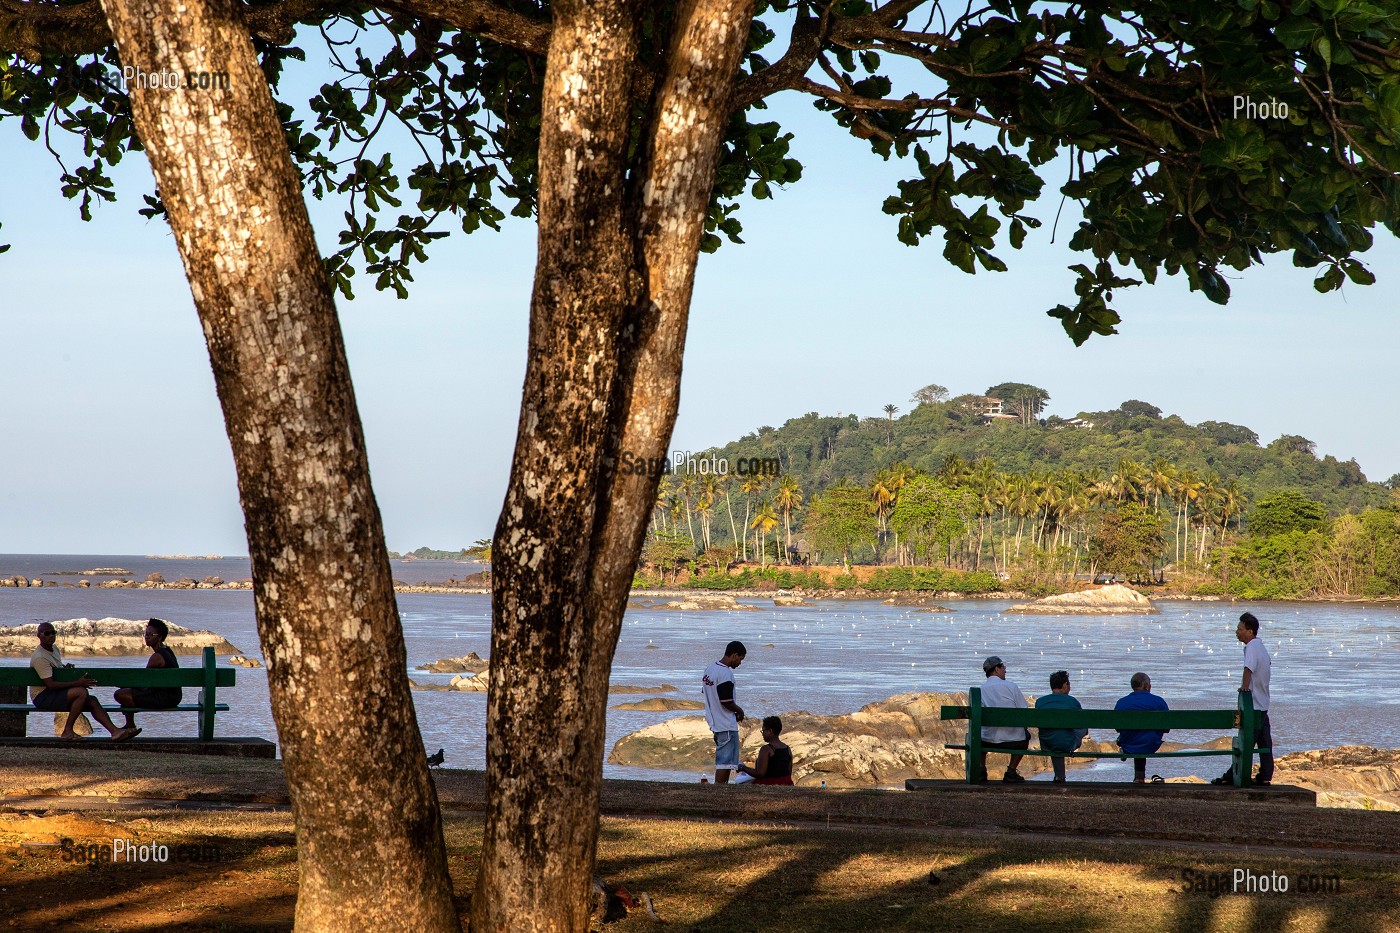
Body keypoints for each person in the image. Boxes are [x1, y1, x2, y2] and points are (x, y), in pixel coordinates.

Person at [29, 622, 136, 741]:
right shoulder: (40, 657)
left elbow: (54, 670)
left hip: (53, 693)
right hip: (42, 696)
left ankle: (115, 732)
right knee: (81, 692)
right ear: (39, 636)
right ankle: (68, 731)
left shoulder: (54, 649)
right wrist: (78, 683)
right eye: (46, 633)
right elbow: (51, 684)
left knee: (92, 701)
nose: (51, 636)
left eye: (53, 633)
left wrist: (65, 669)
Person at [1213, 611, 1274, 786]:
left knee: (1246, 742)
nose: (1236, 631)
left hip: (1254, 704)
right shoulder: (1261, 647)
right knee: (1264, 741)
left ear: (1250, 631)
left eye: (1240, 629)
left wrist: (1244, 689)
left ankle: (1231, 776)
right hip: (1263, 702)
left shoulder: (1251, 647)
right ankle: (1265, 775)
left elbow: (1248, 668)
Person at [113, 618, 183, 733]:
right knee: (127, 691)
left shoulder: (157, 657)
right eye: (146, 634)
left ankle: (130, 726)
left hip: (164, 698)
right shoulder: (167, 651)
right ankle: (129, 725)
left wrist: (123, 684)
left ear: (159, 637)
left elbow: (144, 680)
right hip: (173, 696)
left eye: (151, 634)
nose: (147, 636)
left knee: (120, 694)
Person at [978, 656, 1029, 783]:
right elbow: (1024, 711)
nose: (1005, 670)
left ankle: (981, 770)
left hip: (986, 740)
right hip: (1014, 740)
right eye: (1003, 668)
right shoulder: (1011, 686)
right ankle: (1011, 771)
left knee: (976, 736)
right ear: (996, 669)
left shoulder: (980, 690)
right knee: (1025, 736)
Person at [701, 641, 746, 784]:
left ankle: (722, 789)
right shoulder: (725, 673)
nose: (740, 663)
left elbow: (706, 691)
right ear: (734, 655)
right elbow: (726, 701)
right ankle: (719, 790)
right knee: (724, 764)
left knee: (724, 762)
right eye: (740, 659)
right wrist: (739, 711)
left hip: (715, 723)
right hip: (725, 724)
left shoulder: (710, 669)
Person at [1114, 672, 1169, 783]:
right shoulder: (1159, 702)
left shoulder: (1121, 703)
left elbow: (1117, 728)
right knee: (1144, 735)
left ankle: (1138, 777)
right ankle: (1139, 778)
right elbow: (1166, 728)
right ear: (1146, 686)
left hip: (1129, 744)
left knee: (1134, 736)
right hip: (1151, 744)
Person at [1035, 670, 1088, 782]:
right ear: (1064, 685)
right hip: (1067, 743)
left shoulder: (1040, 702)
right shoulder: (1072, 701)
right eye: (1069, 684)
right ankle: (1060, 776)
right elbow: (1081, 723)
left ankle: (1059, 776)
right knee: (1079, 729)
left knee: (1055, 734)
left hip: (1047, 744)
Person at [735, 715, 794, 786]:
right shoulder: (787, 749)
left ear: (770, 731)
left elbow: (760, 773)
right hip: (786, 783)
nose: (762, 734)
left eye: (763, 730)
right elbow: (788, 771)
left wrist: (742, 768)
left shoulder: (766, 749)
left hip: (769, 783)